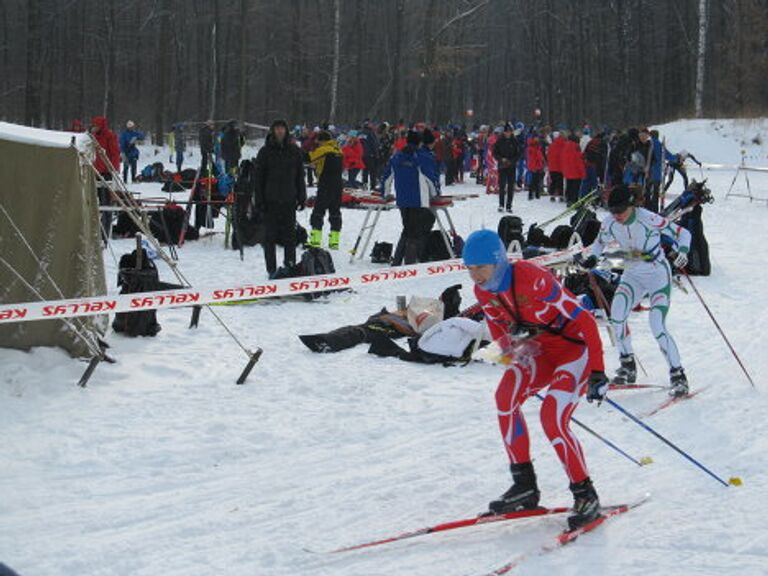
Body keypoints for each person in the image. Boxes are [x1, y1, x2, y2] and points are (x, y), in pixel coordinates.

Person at [463, 229, 605, 530]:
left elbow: (584, 319)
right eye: (470, 268)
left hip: (573, 351)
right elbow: (499, 331)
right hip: (538, 351)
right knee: (504, 398)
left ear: (497, 260)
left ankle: (585, 493)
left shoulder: (531, 276)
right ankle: (524, 485)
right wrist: (506, 349)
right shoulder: (483, 291)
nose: (475, 275)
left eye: (480, 267)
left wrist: (598, 371)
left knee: (551, 418)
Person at [575, 185, 692, 396]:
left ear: (631, 205)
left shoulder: (648, 218)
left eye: (621, 210)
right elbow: (599, 243)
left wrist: (683, 250)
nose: (617, 215)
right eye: (613, 211)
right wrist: (592, 257)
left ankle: (678, 375)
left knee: (656, 324)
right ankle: (627, 365)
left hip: (657, 274)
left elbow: (683, 234)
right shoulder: (610, 222)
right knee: (617, 315)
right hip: (632, 274)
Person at [254, 119, 307, 277]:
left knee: (290, 237)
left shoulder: (294, 151)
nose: (279, 131)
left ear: (286, 131)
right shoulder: (264, 152)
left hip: (289, 199)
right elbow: (258, 179)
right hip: (270, 201)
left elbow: (299, 176)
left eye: (282, 128)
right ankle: (271, 269)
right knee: (269, 238)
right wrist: (259, 200)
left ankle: (289, 267)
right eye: (276, 129)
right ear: (272, 131)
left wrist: (302, 196)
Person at [381, 130, 440, 265]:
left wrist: (385, 193)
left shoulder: (396, 157)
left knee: (407, 230)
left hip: (402, 200)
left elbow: (386, 177)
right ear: (419, 143)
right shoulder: (422, 157)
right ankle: (409, 264)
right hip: (418, 200)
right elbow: (431, 178)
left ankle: (397, 262)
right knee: (415, 232)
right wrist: (435, 193)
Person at [308, 131, 343, 250]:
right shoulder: (338, 150)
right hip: (338, 184)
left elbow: (309, 158)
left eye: (318, 141)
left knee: (318, 211)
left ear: (322, 141)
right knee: (335, 212)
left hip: (326, 184)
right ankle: (334, 241)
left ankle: (315, 241)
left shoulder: (324, 149)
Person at [91, 116, 121, 243]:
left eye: (96, 125)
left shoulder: (109, 136)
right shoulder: (92, 136)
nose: (94, 127)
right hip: (94, 171)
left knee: (106, 203)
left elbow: (115, 153)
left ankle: (105, 232)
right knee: (94, 202)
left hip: (106, 172)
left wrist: (114, 169)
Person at [492, 123, 519, 213]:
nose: (508, 133)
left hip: (511, 166)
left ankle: (509, 205)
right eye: (506, 132)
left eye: (509, 132)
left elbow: (518, 154)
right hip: (502, 166)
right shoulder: (499, 141)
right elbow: (495, 153)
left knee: (511, 186)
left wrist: (512, 161)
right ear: (504, 132)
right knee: (502, 186)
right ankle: (501, 204)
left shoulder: (514, 141)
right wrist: (501, 159)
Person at [562, 133, 586, 206]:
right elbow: (579, 162)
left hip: (567, 170)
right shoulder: (576, 148)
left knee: (569, 185)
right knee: (575, 188)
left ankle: (568, 199)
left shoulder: (565, 146)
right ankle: (574, 201)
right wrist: (583, 173)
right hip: (576, 172)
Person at [547, 130, 566, 202]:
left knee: (553, 181)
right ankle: (561, 196)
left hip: (552, 166)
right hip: (561, 166)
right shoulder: (564, 144)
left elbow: (548, 155)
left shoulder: (551, 145)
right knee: (560, 182)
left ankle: (552, 195)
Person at [360, 120, 380, 190]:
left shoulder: (361, 133)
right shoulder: (371, 133)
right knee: (372, 171)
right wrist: (376, 154)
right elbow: (374, 144)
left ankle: (364, 184)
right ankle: (372, 186)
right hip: (370, 155)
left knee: (365, 170)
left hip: (362, 154)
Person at [526, 134, 544, 200]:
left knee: (537, 180)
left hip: (538, 165)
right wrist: (533, 167)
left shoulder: (537, 146)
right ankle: (532, 194)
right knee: (533, 181)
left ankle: (536, 193)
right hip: (534, 166)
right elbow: (532, 158)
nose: (537, 139)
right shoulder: (532, 147)